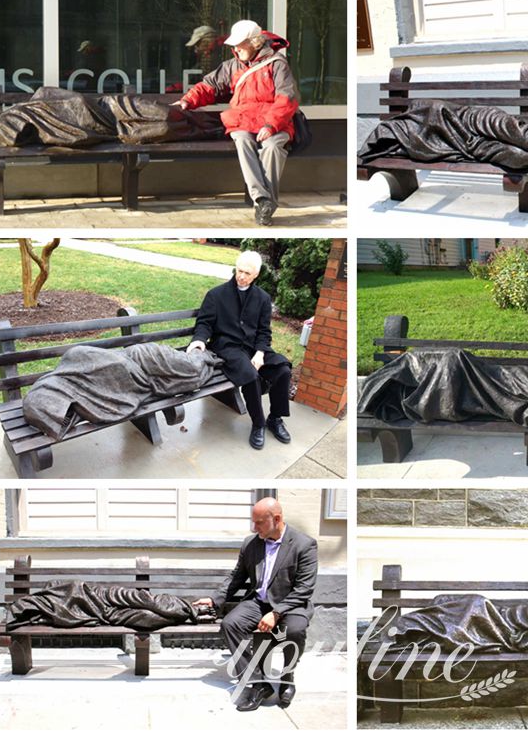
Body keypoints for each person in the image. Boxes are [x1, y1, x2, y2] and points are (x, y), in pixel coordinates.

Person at [193, 497, 318, 711]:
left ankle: (287, 675)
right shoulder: (251, 544)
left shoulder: (304, 544)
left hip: (291, 604)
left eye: (259, 522)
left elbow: (304, 588)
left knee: (295, 630)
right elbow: (237, 577)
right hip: (258, 602)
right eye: (254, 522)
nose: (254, 527)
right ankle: (259, 683)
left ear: (276, 519)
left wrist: (276, 613)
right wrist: (216, 598)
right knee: (230, 624)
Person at [175, 19, 299, 226]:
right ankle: (262, 199)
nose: (236, 48)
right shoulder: (232, 66)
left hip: (275, 122)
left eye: (240, 44)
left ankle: (264, 206)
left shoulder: (277, 64)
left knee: (273, 146)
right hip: (244, 120)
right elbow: (209, 85)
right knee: (241, 138)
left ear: (255, 42)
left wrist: (270, 125)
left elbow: (286, 98)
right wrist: (189, 99)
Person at [187, 250, 292, 450]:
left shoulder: (262, 298)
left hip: (254, 347)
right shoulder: (216, 295)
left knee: (283, 371)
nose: (241, 276)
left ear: (256, 275)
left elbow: (264, 331)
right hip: (228, 348)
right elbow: (204, 323)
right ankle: (258, 423)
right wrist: (199, 339)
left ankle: (275, 418)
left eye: (247, 273)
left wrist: (261, 352)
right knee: (250, 376)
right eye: (239, 271)